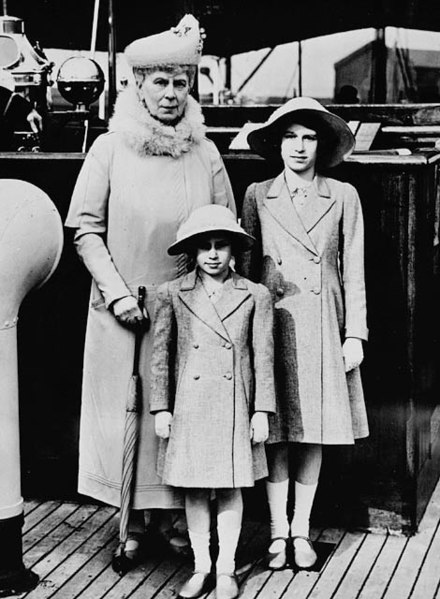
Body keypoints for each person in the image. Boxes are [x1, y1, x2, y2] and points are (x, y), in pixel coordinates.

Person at [64, 15, 235, 569]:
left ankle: (175, 519)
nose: (169, 93)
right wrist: (117, 294)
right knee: (127, 414)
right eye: (158, 82)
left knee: (181, 416)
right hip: (123, 311)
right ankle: (131, 524)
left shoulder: (205, 153)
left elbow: (225, 225)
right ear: (136, 86)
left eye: (180, 82)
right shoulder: (110, 149)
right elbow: (86, 229)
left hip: (188, 311)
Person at [236, 97, 369, 570]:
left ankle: (301, 531)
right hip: (273, 323)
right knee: (273, 429)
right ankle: (276, 533)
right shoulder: (256, 194)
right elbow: (247, 274)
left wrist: (355, 333)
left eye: (309, 137)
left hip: (320, 323)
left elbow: (352, 269)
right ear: (276, 143)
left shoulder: (343, 196)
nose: (299, 146)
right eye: (290, 136)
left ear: (322, 144)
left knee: (312, 428)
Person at [150, 205, 275, 599]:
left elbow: (264, 357)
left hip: (235, 405)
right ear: (193, 252)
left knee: (231, 487)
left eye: (222, 246)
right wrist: (162, 407)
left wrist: (261, 410)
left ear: (234, 250)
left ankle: (226, 570)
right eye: (205, 247)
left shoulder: (256, 295)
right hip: (190, 405)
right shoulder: (173, 293)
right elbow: (161, 354)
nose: (214, 254)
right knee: (195, 490)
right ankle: (201, 565)